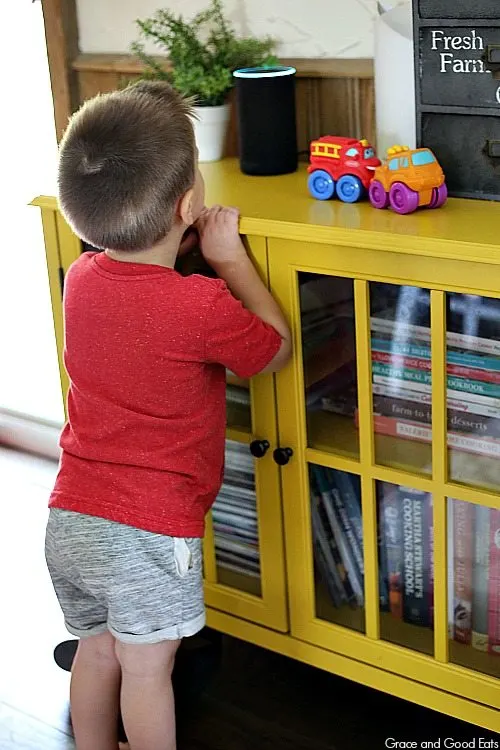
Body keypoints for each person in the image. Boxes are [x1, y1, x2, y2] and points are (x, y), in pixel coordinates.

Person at [44, 79, 291, 750]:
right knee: (149, 669)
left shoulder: (79, 281)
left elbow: (134, 303)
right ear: (188, 206)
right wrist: (228, 257)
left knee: (96, 652)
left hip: (70, 517)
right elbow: (272, 351)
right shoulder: (198, 305)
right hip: (150, 533)